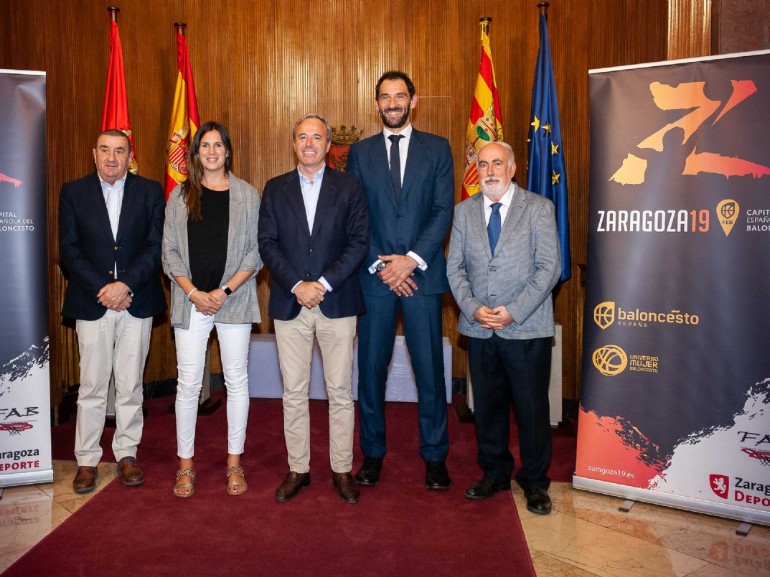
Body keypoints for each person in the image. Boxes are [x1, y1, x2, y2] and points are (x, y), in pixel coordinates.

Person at [346, 71, 454, 490]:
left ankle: (434, 456)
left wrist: (409, 261)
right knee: (370, 371)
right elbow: (355, 215)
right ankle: (372, 454)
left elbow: (443, 210)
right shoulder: (360, 152)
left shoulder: (438, 148)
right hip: (374, 279)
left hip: (421, 277)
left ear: (414, 100)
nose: (392, 103)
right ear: (376, 104)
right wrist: (383, 266)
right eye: (385, 98)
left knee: (429, 371)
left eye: (400, 96)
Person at [259, 114, 369, 504]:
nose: (309, 143)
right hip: (290, 303)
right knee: (294, 392)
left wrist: (321, 284)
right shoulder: (275, 189)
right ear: (294, 144)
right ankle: (298, 469)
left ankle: (342, 470)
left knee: (340, 391)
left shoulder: (349, 186)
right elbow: (267, 244)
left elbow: (358, 242)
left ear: (327, 145)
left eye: (316, 137)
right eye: (302, 137)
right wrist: (297, 284)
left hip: (337, 302)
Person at [446, 141, 560, 514]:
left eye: (498, 163)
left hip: (525, 327)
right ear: (475, 171)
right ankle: (494, 472)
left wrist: (513, 310)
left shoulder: (539, 208)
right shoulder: (463, 212)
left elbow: (549, 269)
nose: (490, 171)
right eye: (483, 165)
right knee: (488, 408)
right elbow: (455, 268)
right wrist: (475, 308)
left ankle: (534, 482)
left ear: (512, 169)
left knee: (531, 409)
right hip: (480, 328)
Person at [59, 129, 166, 494]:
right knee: (91, 386)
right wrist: (103, 290)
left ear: (129, 155)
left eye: (119, 151)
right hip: (93, 302)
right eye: (105, 150)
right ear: (94, 154)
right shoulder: (74, 192)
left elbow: (156, 246)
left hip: (136, 301)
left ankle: (126, 453)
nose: (111, 157)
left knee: (130, 383)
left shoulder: (150, 192)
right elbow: (69, 250)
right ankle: (87, 460)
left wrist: (126, 286)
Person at [162, 121, 262, 498]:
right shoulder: (179, 197)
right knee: (187, 384)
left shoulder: (247, 195)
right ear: (196, 152)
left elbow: (256, 251)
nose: (212, 151)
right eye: (205, 145)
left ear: (228, 151)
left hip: (232, 300)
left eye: (219, 145)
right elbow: (168, 251)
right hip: (191, 304)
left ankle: (234, 462)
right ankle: (185, 466)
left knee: (237, 382)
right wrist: (193, 293)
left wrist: (223, 291)